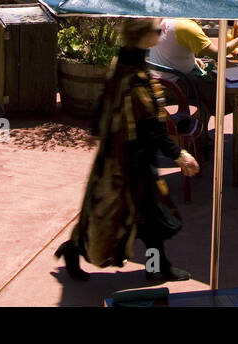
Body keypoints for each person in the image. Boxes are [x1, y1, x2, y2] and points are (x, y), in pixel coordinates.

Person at [55, 17, 201, 284]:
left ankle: (156, 267)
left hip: (122, 156)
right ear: (144, 38)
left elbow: (105, 105)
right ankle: (77, 250)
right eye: (157, 30)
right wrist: (179, 154)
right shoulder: (134, 78)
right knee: (126, 219)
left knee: (142, 220)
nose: (160, 32)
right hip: (128, 162)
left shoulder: (125, 63)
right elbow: (150, 127)